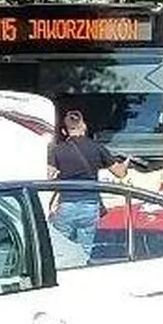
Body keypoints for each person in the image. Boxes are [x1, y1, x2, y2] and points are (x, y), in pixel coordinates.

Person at [46, 109, 128, 258]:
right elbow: (119, 173)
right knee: (85, 249)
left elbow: (49, 176)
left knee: (60, 250)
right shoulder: (96, 147)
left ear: (65, 131)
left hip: (66, 204)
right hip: (90, 206)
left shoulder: (57, 150)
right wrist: (126, 164)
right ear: (83, 126)